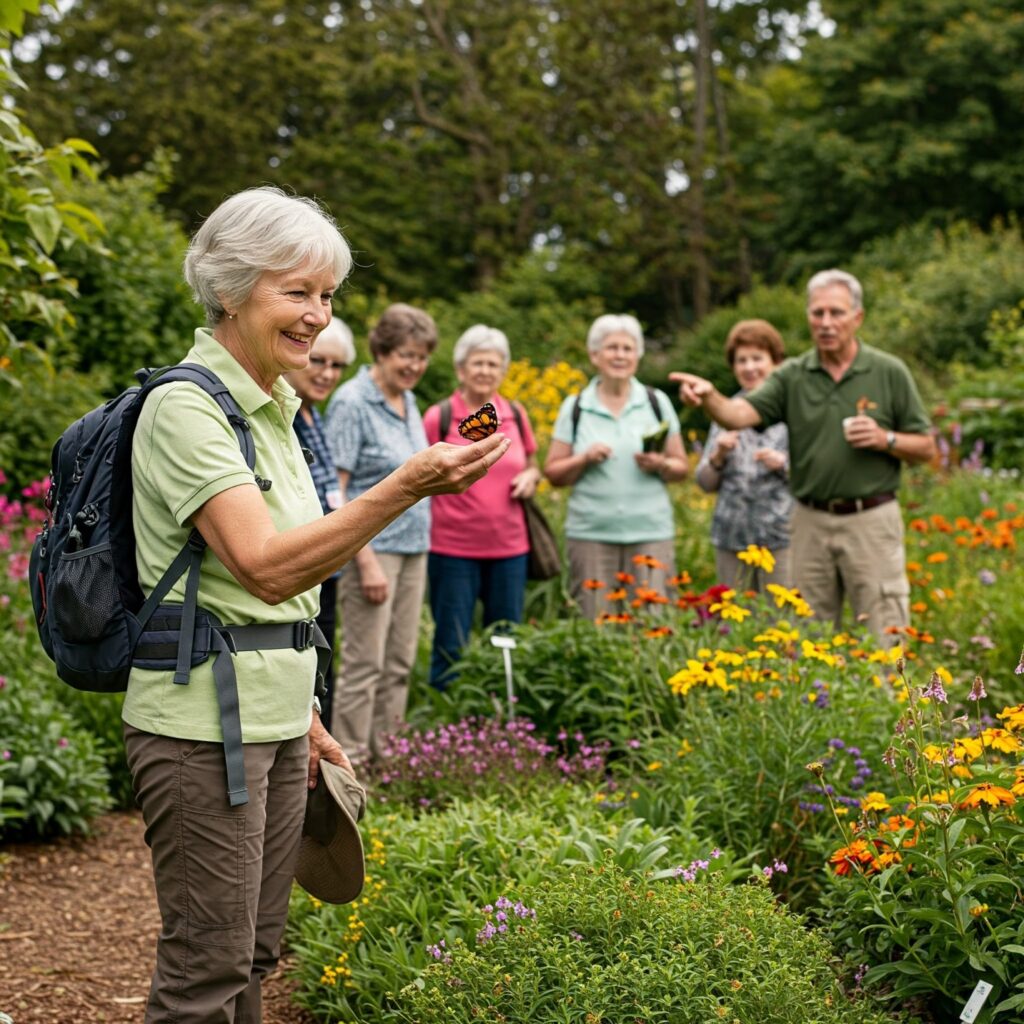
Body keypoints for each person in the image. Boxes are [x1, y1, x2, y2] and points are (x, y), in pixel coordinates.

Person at [122, 187, 508, 1024]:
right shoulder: (186, 408)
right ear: (230, 291)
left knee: (256, 955)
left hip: (276, 721)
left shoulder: (281, 411)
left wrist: (307, 717)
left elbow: (286, 594)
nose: (317, 318)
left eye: (327, 296)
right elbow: (263, 569)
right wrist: (406, 485)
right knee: (206, 973)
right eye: (296, 293)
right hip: (199, 728)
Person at [672, 269, 935, 641]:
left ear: (857, 317)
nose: (826, 323)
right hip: (808, 521)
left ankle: (892, 699)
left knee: (885, 629)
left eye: (836, 313)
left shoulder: (887, 371)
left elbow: (926, 447)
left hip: (871, 519)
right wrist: (710, 396)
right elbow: (738, 415)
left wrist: (885, 439)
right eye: (817, 313)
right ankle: (822, 701)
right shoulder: (793, 375)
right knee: (807, 638)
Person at [324, 303, 436, 761]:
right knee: (364, 664)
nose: (413, 366)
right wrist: (364, 562)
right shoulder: (352, 402)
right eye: (404, 355)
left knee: (400, 662)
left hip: (414, 548)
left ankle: (390, 757)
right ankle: (351, 761)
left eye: (421, 356)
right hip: (375, 553)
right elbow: (338, 492)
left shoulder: (408, 402)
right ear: (382, 351)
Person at [545, 314, 688, 620]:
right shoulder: (576, 407)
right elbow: (554, 473)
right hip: (591, 534)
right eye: (612, 348)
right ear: (595, 355)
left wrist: (659, 463)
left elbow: (681, 468)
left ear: (638, 356)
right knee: (595, 626)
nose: (620, 355)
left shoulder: (656, 402)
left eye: (628, 348)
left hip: (650, 532)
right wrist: (584, 458)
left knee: (652, 626)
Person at [422, 324, 542, 688]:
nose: (485, 371)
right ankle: (446, 724)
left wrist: (531, 478)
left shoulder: (516, 415)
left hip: (510, 548)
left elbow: (533, 463)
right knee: (451, 643)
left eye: (493, 364)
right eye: (478, 363)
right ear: (461, 369)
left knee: (505, 640)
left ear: (503, 372)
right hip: (452, 548)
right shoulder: (439, 417)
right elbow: (417, 473)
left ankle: (500, 717)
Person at [283, 316, 355, 732]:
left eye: (336, 366)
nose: (327, 374)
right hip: (303, 565)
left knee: (322, 670)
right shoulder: (286, 416)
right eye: (319, 361)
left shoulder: (313, 415)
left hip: (328, 567)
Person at [694, 319, 792, 592]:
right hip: (731, 538)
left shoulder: (792, 410)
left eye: (757, 358)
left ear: (775, 361)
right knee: (736, 621)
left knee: (783, 620)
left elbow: (816, 475)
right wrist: (718, 455)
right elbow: (704, 483)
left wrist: (783, 464)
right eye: (741, 360)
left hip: (781, 537)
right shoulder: (724, 411)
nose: (749, 367)